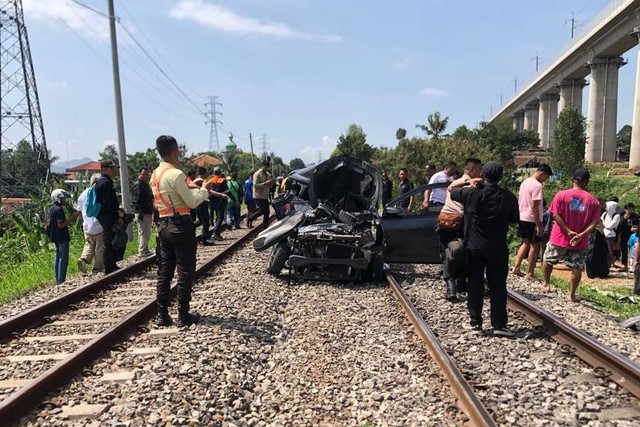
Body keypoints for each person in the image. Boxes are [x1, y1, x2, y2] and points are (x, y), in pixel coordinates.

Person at [450, 161, 519, 337]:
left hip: (475, 248)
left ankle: (475, 323)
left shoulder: (472, 193)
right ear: (500, 177)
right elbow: (513, 220)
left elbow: (451, 188)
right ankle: (499, 325)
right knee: (498, 287)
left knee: (475, 284)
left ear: (483, 175)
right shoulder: (509, 197)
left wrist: (468, 181)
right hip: (497, 248)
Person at [151, 135, 211, 327]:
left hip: (163, 225)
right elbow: (192, 201)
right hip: (180, 225)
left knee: (165, 270)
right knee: (185, 270)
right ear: (176, 150)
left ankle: (162, 314)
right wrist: (204, 190)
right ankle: (183, 315)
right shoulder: (176, 174)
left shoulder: (155, 174)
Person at [542, 168, 601, 301]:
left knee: (548, 259)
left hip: (559, 237)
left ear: (572, 180)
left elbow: (555, 214)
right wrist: (581, 234)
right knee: (577, 266)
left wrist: (567, 231)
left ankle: (546, 284)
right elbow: (594, 222)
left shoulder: (561, 195)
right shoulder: (593, 201)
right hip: (580, 241)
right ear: (587, 182)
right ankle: (571, 294)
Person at [438, 158, 482, 302]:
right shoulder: (469, 185)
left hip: (444, 222)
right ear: (472, 170)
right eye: (479, 169)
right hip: (459, 224)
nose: (481, 172)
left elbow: (451, 187)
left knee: (450, 254)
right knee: (459, 253)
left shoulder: (458, 182)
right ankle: (455, 285)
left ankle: (456, 285)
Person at [511, 164, 553, 280]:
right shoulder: (537, 186)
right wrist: (539, 225)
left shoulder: (525, 182)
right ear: (542, 173)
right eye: (546, 177)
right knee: (535, 246)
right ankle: (530, 272)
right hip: (531, 219)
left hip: (522, 216)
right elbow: (535, 205)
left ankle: (516, 267)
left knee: (525, 243)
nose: (546, 180)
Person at [95, 159, 124, 274]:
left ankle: (111, 264)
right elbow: (109, 203)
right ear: (104, 169)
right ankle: (108, 267)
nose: (114, 170)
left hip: (105, 215)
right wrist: (118, 217)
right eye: (111, 168)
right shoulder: (105, 183)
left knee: (111, 239)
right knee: (109, 241)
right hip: (107, 216)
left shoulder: (103, 182)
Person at [48, 189, 81, 284]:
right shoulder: (58, 210)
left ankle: (58, 281)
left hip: (55, 237)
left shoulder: (52, 208)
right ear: (57, 198)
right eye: (62, 199)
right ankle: (61, 281)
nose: (64, 201)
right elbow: (61, 224)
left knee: (58, 258)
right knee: (63, 259)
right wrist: (72, 218)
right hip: (62, 237)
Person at [77, 174, 104, 274]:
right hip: (99, 225)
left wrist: (84, 220)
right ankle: (97, 268)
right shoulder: (99, 192)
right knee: (99, 248)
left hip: (87, 226)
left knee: (89, 245)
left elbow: (79, 210)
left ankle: (83, 259)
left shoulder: (83, 194)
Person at [131, 167, 154, 257]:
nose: (145, 176)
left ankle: (144, 249)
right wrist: (139, 211)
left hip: (146, 211)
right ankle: (143, 251)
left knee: (145, 231)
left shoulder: (145, 185)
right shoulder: (138, 185)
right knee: (144, 232)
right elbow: (137, 200)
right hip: (142, 212)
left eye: (146, 174)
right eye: (143, 174)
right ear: (139, 174)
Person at [251, 158, 275, 231]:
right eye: (266, 166)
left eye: (268, 166)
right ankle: (250, 218)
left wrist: (271, 184)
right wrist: (265, 183)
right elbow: (255, 185)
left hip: (265, 195)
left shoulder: (268, 174)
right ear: (263, 166)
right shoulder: (257, 174)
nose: (267, 168)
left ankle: (265, 227)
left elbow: (269, 185)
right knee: (262, 210)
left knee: (267, 212)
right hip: (258, 195)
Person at [207, 166, 229, 240]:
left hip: (212, 201)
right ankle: (216, 232)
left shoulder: (211, 180)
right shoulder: (223, 180)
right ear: (220, 172)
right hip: (220, 201)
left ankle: (218, 233)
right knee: (220, 217)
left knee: (217, 217)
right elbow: (227, 191)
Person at [617, 203, 636, 270]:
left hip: (632, 236)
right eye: (628, 209)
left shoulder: (635, 216)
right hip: (624, 235)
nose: (630, 210)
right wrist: (624, 218)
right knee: (624, 250)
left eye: (631, 209)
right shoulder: (621, 216)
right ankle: (625, 266)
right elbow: (619, 226)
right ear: (625, 209)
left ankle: (633, 266)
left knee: (633, 250)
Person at [602, 200, 621, 267]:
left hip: (611, 235)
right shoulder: (605, 214)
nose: (605, 208)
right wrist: (605, 224)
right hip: (603, 233)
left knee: (610, 250)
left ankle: (609, 265)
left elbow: (611, 226)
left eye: (607, 206)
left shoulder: (616, 216)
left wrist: (604, 224)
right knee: (603, 250)